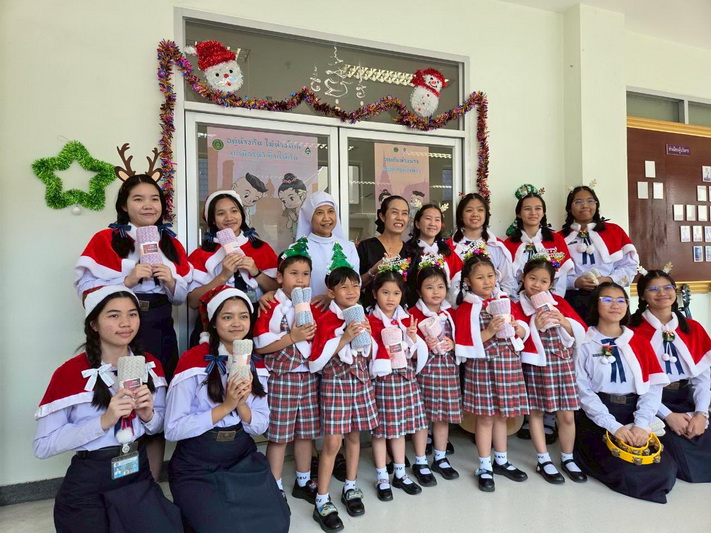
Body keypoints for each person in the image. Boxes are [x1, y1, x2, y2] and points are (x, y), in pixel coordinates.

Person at [75, 147, 193, 479]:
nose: (148, 205)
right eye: (138, 199)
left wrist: (171, 281)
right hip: (122, 328)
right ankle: (121, 480)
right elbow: (86, 290)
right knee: (120, 397)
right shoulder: (106, 239)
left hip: (159, 325)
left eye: (154, 199)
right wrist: (127, 281)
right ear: (124, 205)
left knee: (154, 399)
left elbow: (182, 298)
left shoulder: (171, 243)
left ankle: (150, 482)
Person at [33, 285, 181, 532]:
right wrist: (103, 421)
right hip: (90, 483)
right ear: (94, 324)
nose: (126, 323)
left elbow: (158, 426)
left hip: (137, 475)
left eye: (132, 314)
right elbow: (43, 445)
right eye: (114, 315)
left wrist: (148, 415)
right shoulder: (69, 374)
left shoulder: (151, 366)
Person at [164, 286, 289, 531]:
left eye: (243, 316)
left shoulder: (255, 364)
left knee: (277, 524)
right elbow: (172, 429)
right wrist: (227, 405)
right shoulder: (193, 361)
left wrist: (241, 406)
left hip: (240, 456)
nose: (237, 324)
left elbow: (260, 425)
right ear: (213, 322)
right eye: (227, 317)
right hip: (197, 462)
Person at [574, 282, 676, 503]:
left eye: (621, 300)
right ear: (595, 305)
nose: (615, 305)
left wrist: (641, 424)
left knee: (666, 470)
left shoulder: (639, 342)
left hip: (633, 412)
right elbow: (583, 392)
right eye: (607, 299)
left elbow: (652, 388)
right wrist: (614, 427)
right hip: (598, 416)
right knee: (625, 472)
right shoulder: (583, 344)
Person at [309, 249, 378, 532]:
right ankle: (322, 498)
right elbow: (316, 361)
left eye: (355, 286)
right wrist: (345, 336)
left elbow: (369, 353)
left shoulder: (363, 316)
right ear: (331, 292)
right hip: (336, 383)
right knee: (332, 442)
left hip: (359, 382)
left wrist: (366, 336)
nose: (351, 291)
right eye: (343, 287)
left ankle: (350, 486)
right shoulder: (325, 319)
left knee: (354, 437)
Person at [455, 252, 529, 492]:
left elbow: (522, 329)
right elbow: (464, 342)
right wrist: (489, 331)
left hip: (507, 364)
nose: (487, 281)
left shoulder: (504, 300)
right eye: (480, 277)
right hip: (483, 367)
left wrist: (518, 328)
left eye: (490, 276)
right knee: (486, 417)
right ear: (468, 281)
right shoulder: (467, 308)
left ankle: (502, 460)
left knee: (502, 416)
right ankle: (484, 465)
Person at [629, 268, 711, 482]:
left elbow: (703, 379)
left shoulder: (693, 327)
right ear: (642, 295)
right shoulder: (632, 331)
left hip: (685, 398)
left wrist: (701, 413)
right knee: (684, 461)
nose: (662, 293)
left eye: (667, 287)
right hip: (648, 402)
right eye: (653, 289)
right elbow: (637, 384)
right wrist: (668, 416)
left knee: (701, 436)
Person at [254, 241, 320, 503]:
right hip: (282, 377)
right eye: (294, 273)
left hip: (308, 377)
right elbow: (261, 345)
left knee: (305, 433)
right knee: (280, 436)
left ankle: (303, 481)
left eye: (305, 274)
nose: (300, 280)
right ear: (280, 277)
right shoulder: (271, 305)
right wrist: (292, 337)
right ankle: (275, 485)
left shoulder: (313, 305)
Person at [517, 257, 587, 483]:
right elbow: (515, 337)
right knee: (536, 412)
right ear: (523, 278)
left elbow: (581, 330)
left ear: (551, 284)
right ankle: (543, 459)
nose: (537, 285)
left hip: (561, 361)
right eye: (532, 278)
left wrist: (564, 321)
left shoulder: (559, 302)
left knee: (566, 413)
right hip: (536, 364)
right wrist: (533, 327)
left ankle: (568, 457)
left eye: (543, 281)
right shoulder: (517, 306)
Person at [367, 261, 429, 501]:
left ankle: (400, 473)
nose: (390, 298)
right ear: (375, 293)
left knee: (400, 428)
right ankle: (383, 475)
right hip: (382, 380)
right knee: (381, 431)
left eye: (395, 293)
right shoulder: (369, 320)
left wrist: (411, 339)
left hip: (404, 378)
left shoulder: (406, 319)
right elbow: (367, 353)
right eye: (385, 292)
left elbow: (412, 354)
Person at [408, 254, 461, 486]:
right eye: (429, 287)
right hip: (423, 372)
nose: (436, 292)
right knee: (422, 417)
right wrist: (421, 345)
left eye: (440, 286)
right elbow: (406, 347)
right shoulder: (412, 314)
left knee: (442, 416)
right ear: (419, 291)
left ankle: (440, 457)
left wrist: (453, 344)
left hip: (447, 372)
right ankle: (420, 460)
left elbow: (463, 339)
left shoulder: (450, 314)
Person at [188, 190, 278, 314]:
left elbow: (280, 292)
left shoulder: (261, 248)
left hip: (257, 318)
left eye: (234, 211)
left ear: (242, 215)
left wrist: (256, 272)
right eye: (221, 213)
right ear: (212, 220)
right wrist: (223, 276)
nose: (229, 218)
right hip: (216, 320)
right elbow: (193, 302)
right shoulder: (201, 254)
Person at [560, 185, 638, 319]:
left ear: (596, 205)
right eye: (578, 202)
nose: (585, 205)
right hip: (575, 300)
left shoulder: (614, 231)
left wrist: (608, 280)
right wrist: (575, 282)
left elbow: (630, 266)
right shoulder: (559, 238)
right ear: (569, 208)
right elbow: (554, 274)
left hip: (611, 298)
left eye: (590, 201)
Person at [503, 186, 573, 300]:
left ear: (543, 212)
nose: (533, 213)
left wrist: (553, 301)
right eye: (527, 209)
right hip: (516, 300)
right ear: (519, 214)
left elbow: (561, 277)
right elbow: (507, 278)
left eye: (538, 208)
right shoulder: (508, 244)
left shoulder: (556, 240)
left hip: (550, 300)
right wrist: (515, 301)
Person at [446, 193, 516, 300]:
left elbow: (508, 281)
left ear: (486, 214)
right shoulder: (448, 247)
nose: (475, 214)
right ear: (460, 215)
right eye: (469, 210)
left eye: (480, 210)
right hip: (458, 305)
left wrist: (497, 302)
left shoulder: (497, 245)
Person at [296, 191, 360, 307]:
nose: (326, 218)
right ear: (310, 217)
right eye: (319, 213)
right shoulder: (298, 249)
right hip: (309, 311)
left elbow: (356, 282)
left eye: (330, 211)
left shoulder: (349, 247)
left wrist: (330, 297)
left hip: (342, 311)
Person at [357, 195, 418, 309]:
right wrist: (373, 271)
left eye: (404, 213)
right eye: (394, 212)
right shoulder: (366, 247)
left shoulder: (412, 252)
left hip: (404, 316)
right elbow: (354, 286)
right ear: (382, 216)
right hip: (371, 314)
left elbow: (415, 290)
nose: (400, 218)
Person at [407, 204, 462, 304]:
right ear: (417, 223)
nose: (432, 223)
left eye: (437, 220)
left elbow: (458, 277)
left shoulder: (447, 251)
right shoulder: (408, 251)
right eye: (428, 218)